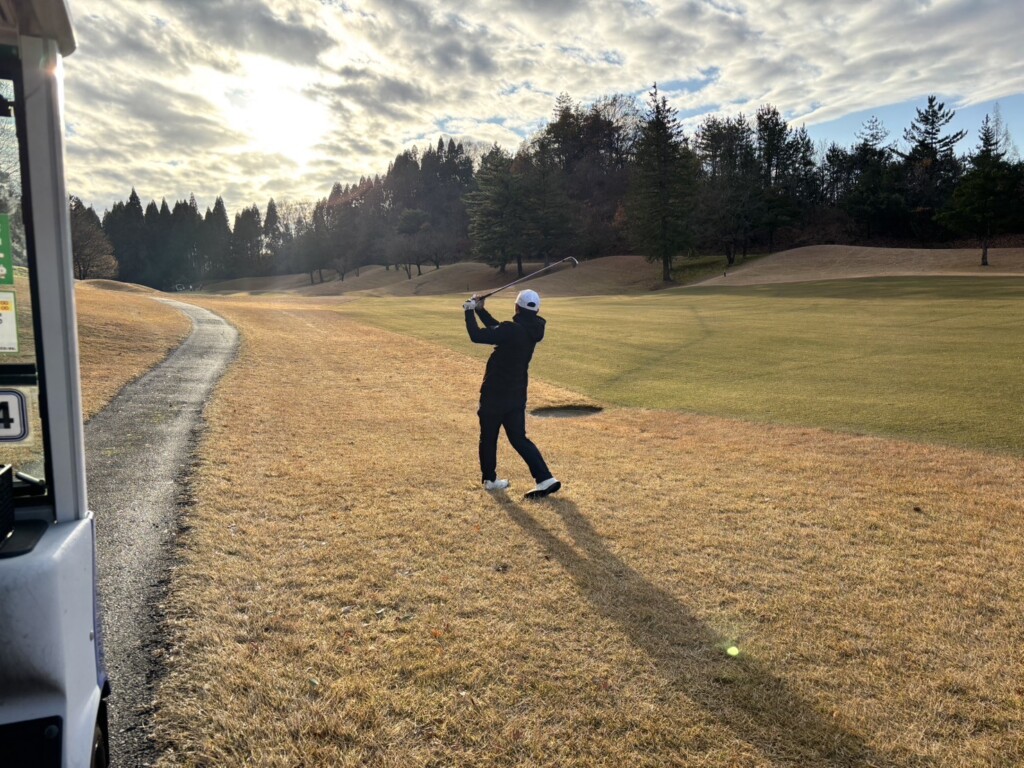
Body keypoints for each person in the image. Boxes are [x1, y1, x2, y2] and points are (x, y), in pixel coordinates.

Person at [463, 289, 560, 498]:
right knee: (518, 438)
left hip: (494, 393)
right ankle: (545, 478)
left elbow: (476, 336)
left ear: (517, 307)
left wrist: (469, 310)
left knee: (488, 437)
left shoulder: (512, 329)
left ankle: (490, 480)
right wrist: (481, 310)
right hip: (516, 395)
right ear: (536, 310)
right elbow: (499, 330)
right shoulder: (532, 329)